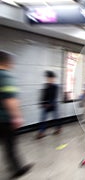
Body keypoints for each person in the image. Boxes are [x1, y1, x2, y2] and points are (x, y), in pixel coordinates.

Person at [0, 50, 33, 178]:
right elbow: (10, 99)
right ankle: (17, 169)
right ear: (7, 62)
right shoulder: (5, 76)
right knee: (10, 145)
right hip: (5, 119)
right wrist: (16, 116)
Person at [36, 71, 60, 139]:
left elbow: (54, 96)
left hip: (53, 104)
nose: (49, 80)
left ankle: (58, 128)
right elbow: (43, 95)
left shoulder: (55, 86)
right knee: (43, 118)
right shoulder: (46, 85)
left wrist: (50, 104)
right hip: (46, 104)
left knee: (55, 118)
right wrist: (42, 103)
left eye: (51, 78)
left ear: (53, 79)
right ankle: (41, 132)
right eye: (48, 78)